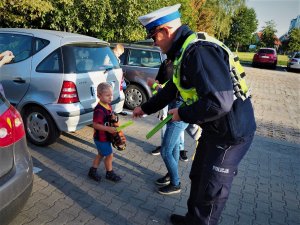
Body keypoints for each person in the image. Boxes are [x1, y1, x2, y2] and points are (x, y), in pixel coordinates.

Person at [133, 4, 256, 225]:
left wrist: (182, 113)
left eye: (153, 35)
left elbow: (220, 103)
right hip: (215, 128)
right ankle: (192, 220)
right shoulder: (185, 51)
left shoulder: (198, 51)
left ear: (166, 30)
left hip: (230, 134)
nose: (153, 42)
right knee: (198, 177)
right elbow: (174, 87)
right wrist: (146, 108)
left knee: (211, 191)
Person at [147, 58, 188, 195]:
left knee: (165, 151)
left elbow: (172, 93)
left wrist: (154, 86)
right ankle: (171, 175)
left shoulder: (185, 67)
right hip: (174, 110)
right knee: (175, 146)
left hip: (179, 113)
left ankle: (175, 184)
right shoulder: (173, 63)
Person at [88, 82, 122, 182]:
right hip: (101, 138)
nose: (110, 97)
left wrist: (113, 118)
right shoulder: (99, 110)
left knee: (101, 154)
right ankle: (109, 173)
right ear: (99, 96)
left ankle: (92, 171)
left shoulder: (108, 106)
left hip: (106, 137)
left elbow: (108, 119)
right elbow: (95, 125)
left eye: (111, 95)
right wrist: (108, 129)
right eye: (107, 95)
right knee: (109, 155)